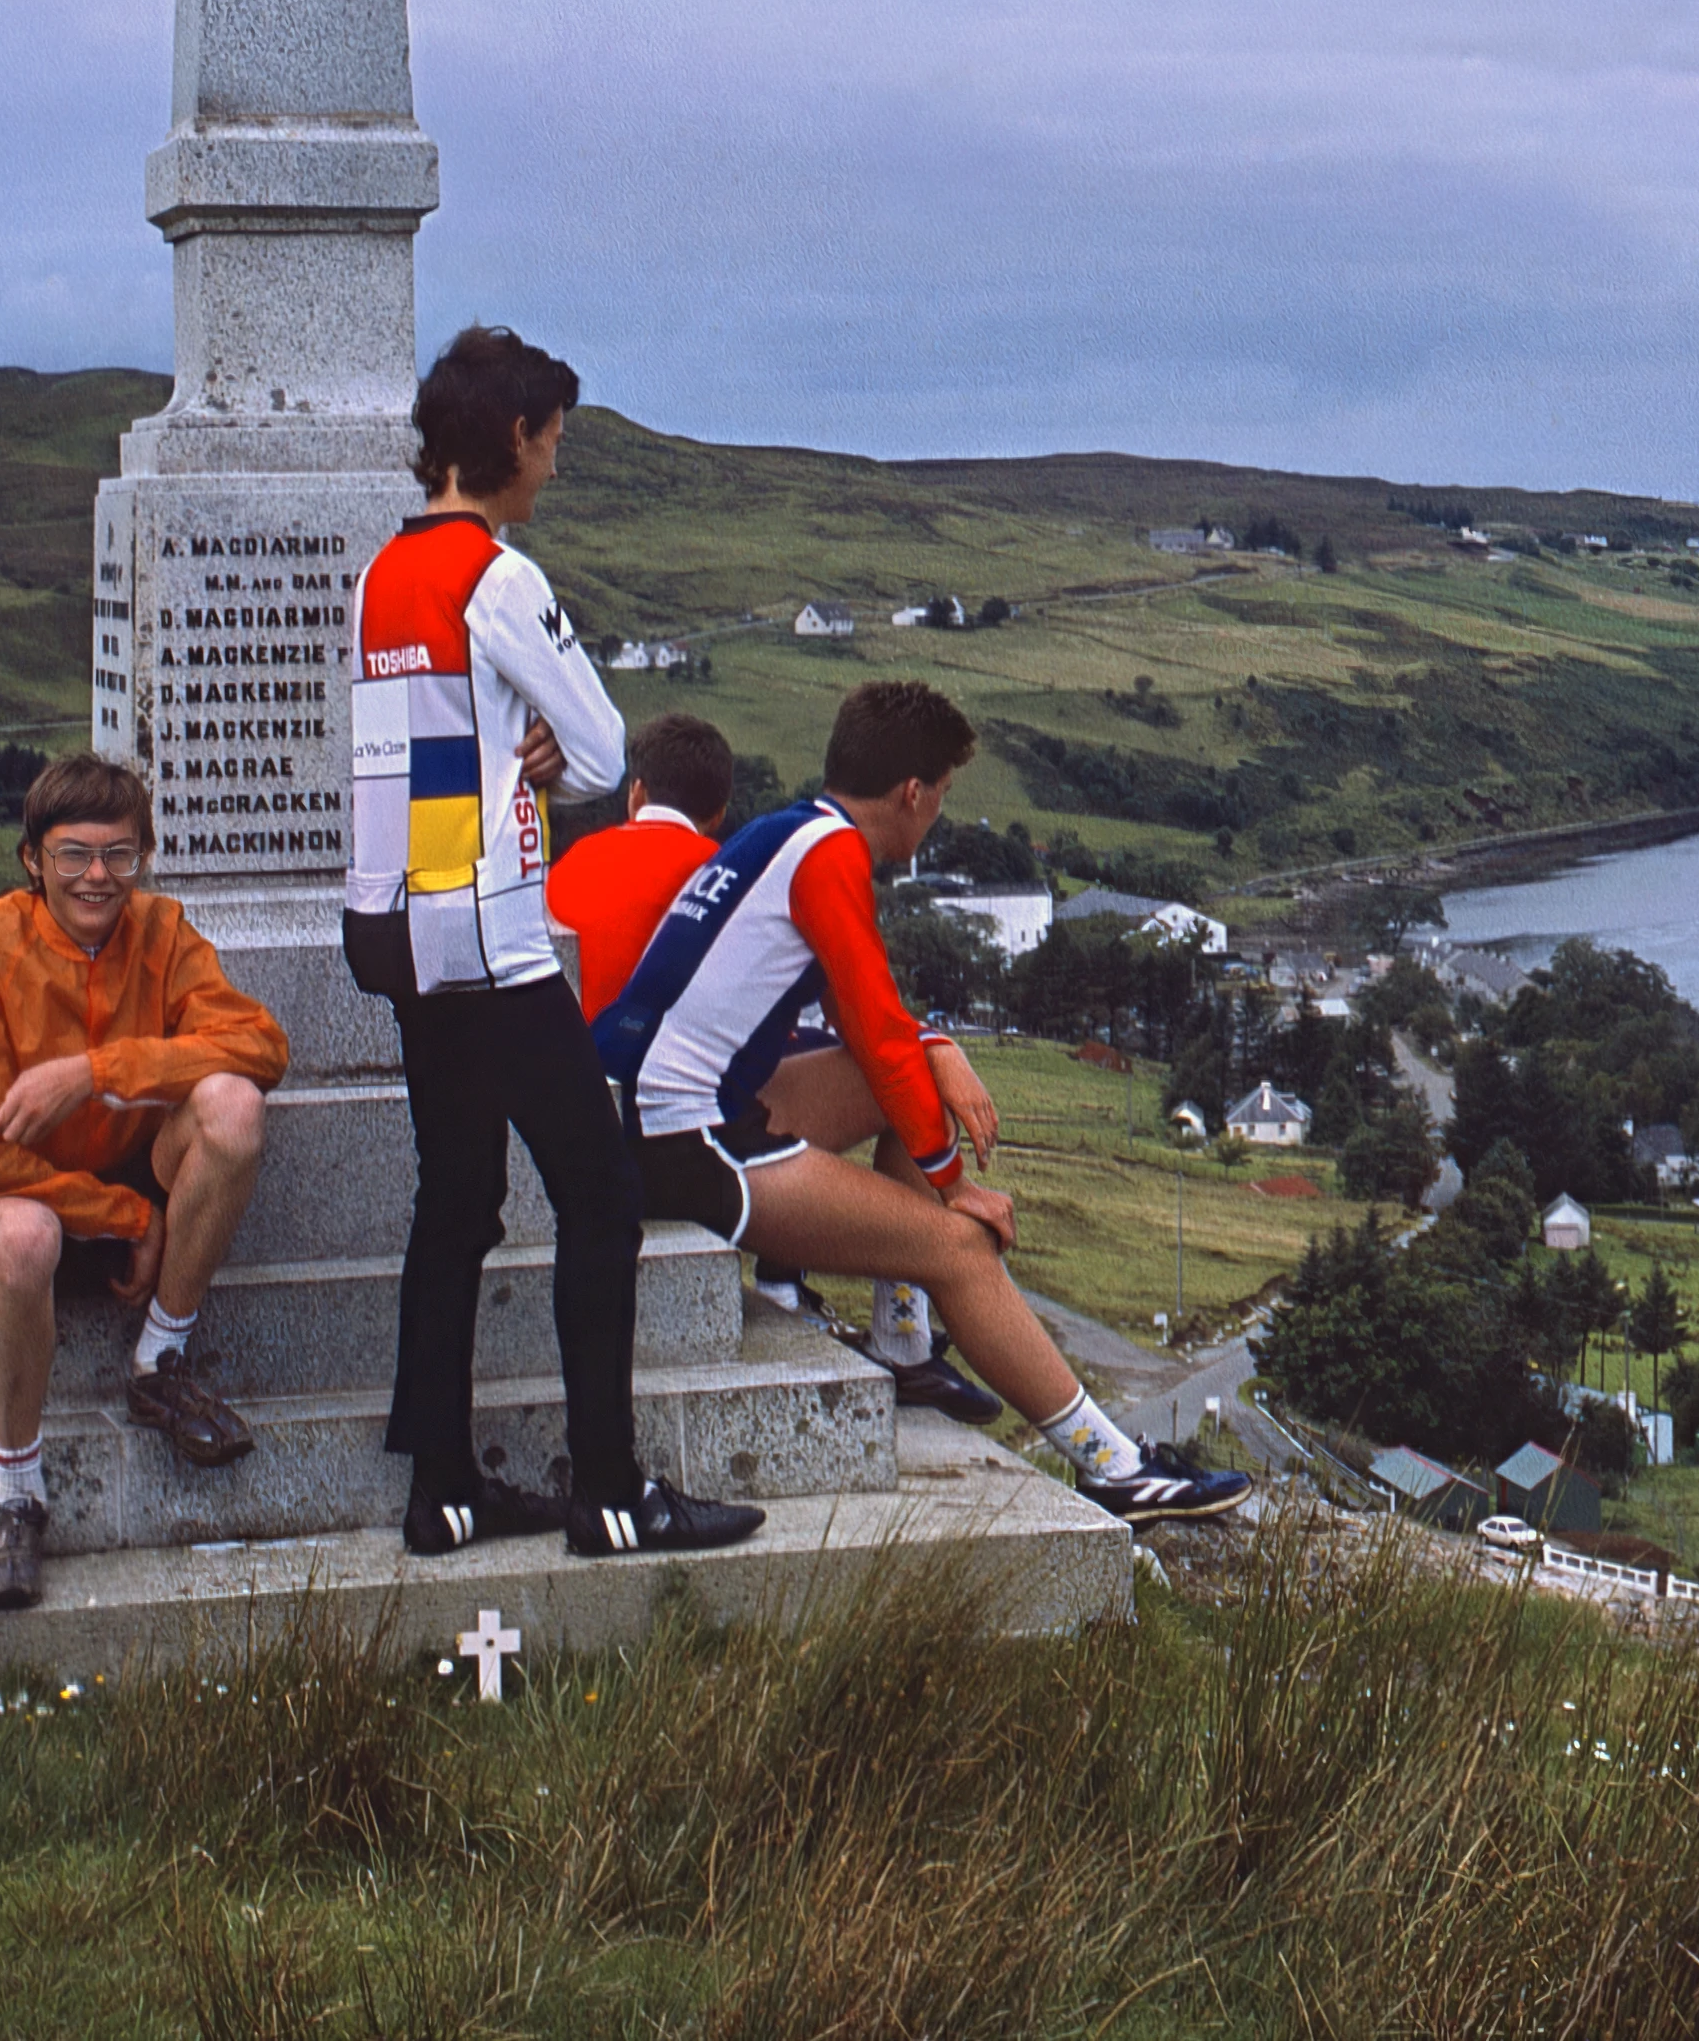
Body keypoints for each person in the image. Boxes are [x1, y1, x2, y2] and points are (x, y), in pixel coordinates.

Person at [595, 679, 1248, 1524]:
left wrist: (937, 1052)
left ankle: (903, 1344)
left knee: (913, 1081)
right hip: (680, 1139)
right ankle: (1115, 1466)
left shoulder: (786, 831)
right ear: (913, 792)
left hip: (648, 1102)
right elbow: (872, 1024)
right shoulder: (831, 858)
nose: (934, 815)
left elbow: (878, 1032)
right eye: (939, 799)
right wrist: (952, 1189)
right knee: (962, 1250)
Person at [345, 324, 761, 1562]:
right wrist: (542, 755)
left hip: (405, 931)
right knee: (603, 1193)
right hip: (495, 936)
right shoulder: (499, 575)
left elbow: (421, 749)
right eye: (555, 442)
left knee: (456, 1200)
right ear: (516, 438)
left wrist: (498, 749)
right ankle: (614, 1494)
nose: (556, 466)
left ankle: (442, 1490)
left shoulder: (383, 572)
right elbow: (600, 745)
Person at [548, 711, 1001, 1422]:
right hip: (673, 1120)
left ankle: (807, 1290)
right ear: (720, 811)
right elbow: (833, 1007)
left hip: (576, 1099)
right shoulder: (716, 870)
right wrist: (935, 1043)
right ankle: (883, 1327)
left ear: (634, 794)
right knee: (791, 1087)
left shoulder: (568, 864)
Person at [0, 755, 286, 1610]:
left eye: (119, 854)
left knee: (232, 1107)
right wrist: (124, 1215)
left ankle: (160, 1354)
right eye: (73, 854)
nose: (97, 876)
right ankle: (16, 1492)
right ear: (31, 860)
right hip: (19, 1199)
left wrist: (95, 1071)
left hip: (125, 1158)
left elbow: (260, 1046)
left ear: (145, 856)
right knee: (21, 1235)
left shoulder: (163, 931)